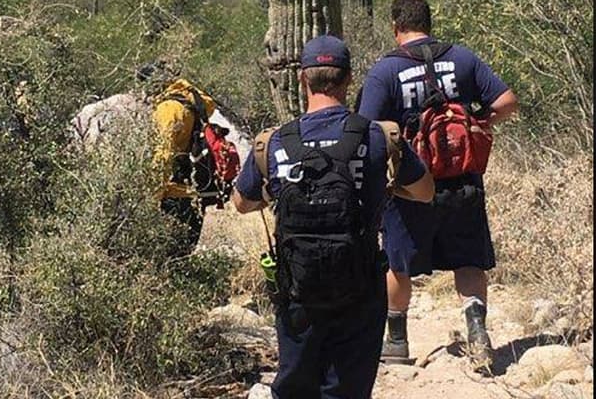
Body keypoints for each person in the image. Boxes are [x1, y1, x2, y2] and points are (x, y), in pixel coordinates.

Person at [232, 35, 434, 399]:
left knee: (294, 386)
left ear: (302, 79)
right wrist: (384, 186)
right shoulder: (379, 137)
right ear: (349, 79)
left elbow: (241, 203)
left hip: (298, 287)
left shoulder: (273, 142)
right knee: (348, 389)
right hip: (360, 285)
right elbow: (425, 191)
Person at [355, 0, 519, 366]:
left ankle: (396, 341)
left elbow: (366, 129)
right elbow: (507, 101)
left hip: (410, 184)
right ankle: (477, 332)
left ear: (396, 27)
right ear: (429, 22)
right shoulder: (462, 58)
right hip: (463, 177)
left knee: (398, 262)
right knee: (468, 259)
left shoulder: (386, 71)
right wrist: (480, 123)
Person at [142, 64, 218, 256]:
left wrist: (152, 195)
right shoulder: (193, 102)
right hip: (193, 191)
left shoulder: (168, 108)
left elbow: (164, 153)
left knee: (169, 260)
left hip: (173, 194)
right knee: (183, 255)